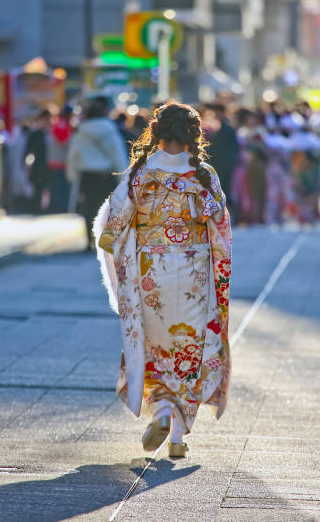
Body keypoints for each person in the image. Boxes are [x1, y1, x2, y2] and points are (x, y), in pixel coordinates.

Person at [94, 102, 232, 457]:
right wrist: (218, 274)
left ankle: (164, 411)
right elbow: (220, 231)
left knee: (156, 348)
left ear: (156, 132)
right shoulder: (203, 176)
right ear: (194, 134)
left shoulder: (140, 174)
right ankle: (177, 437)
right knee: (188, 349)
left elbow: (112, 233)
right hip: (194, 275)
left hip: (149, 273)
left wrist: (126, 264)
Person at [66, 100, 128, 249]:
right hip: (107, 176)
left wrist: (72, 176)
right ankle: (106, 240)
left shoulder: (81, 132)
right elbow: (118, 155)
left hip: (87, 176)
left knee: (89, 208)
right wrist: (123, 177)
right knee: (109, 209)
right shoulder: (110, 130)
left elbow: (73, 156)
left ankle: (90, 240)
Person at [48, 105, 73, 213]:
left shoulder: (60, 123)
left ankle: (61, 207)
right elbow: (63, 141)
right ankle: (61, 208)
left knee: (60, 187)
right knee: (60, 188)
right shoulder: (62, 124)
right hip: (60, 162)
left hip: (60, 162)